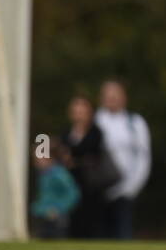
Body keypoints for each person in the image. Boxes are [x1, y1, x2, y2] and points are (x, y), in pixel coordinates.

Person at [94, 79, 152, 240]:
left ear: (124, 97)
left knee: (122, 236)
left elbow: (143, 158)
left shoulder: (135, 123)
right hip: (97, 191)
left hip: (125, 191)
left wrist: (132, 187)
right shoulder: (94, 122)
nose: (112, 98)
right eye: (108, 95)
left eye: (115, 94)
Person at [60, 94, 112, 239]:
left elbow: (94, 155)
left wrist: (74, 160)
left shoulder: (96, 133)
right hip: (71, 184)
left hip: (91, 186)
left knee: (91, 222)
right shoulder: (66, 133)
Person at [30, 146, 82, 240]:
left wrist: (59, 209)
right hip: (43, 216)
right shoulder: (44, 174)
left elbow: (73, 194)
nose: (36, 162)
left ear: (48, 158)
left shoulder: (59, 174)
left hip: (56, 219)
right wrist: (37, 208)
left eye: (38, 159)